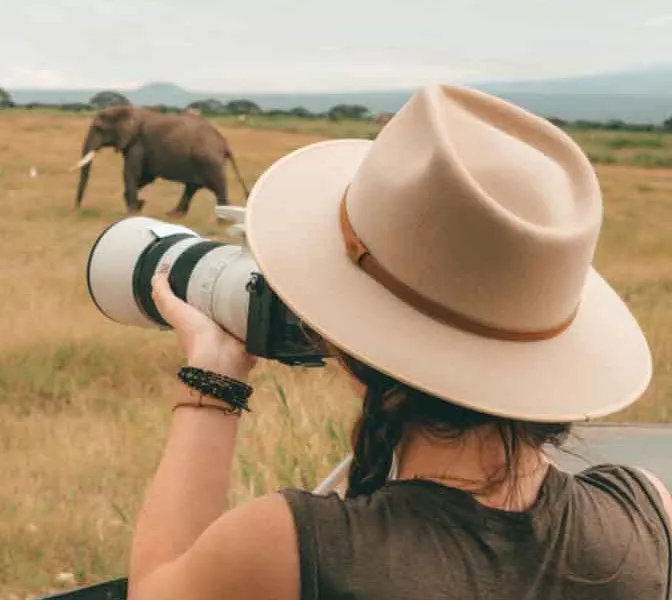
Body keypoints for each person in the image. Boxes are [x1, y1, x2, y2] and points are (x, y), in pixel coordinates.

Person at [126, 83, 672, 600]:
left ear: (348, 349)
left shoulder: (297, 544)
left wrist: (215, 377)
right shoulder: (646, 514)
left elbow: (153, 591)